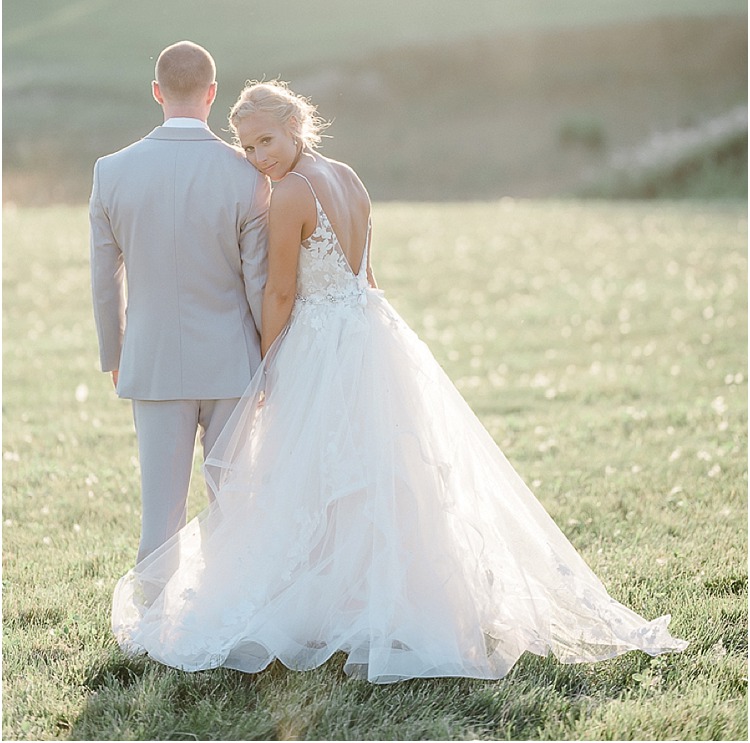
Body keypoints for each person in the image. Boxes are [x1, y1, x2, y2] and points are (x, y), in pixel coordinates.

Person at [111, 79, 687, 683]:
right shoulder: (350, 178)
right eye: (248, 148)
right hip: (369, 330)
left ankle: (330, 603)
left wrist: (264, 365)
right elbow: (366, 273)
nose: (259, 158)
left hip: (320, 337)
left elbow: (280, 291)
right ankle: (363, 598)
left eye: (266, 141)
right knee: (371, 469)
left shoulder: (289, 197)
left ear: (296, 126)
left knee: (316, 468)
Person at [89, 42, 270, 565]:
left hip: (152, 358)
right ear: (212, 94)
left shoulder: (110, 172)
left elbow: (105, 281)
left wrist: (115, 355)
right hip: (234, 362)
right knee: (233, 510)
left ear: (156, 92)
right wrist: (266, 363)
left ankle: (151, 632)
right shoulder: (247, 175)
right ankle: (231, 628)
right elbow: (258, 283)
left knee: (159, 517)